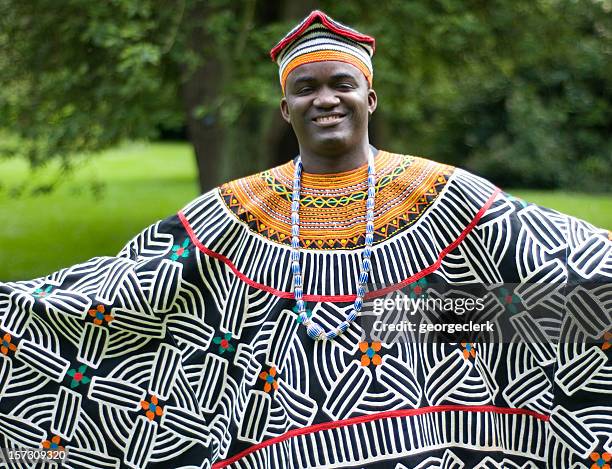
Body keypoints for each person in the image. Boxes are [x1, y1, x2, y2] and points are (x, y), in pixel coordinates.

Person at [0, 10, 610, 469]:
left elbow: (556, 258)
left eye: (342, 84)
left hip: (422, 444)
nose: (325, 99)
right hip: (272, 441)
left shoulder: (444, 192)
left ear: (369, 97)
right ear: (285, 108)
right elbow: (126, 289)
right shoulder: (235, 210)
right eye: (306, 88)